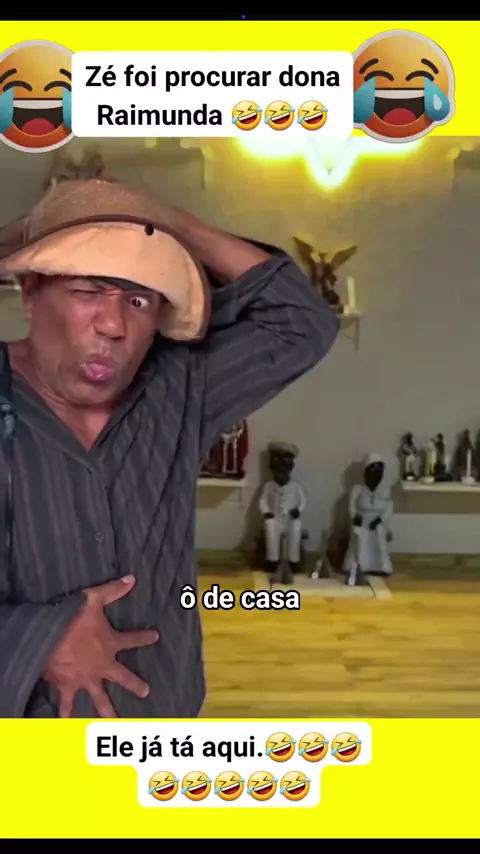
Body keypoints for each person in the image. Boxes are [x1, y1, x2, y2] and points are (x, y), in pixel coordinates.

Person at [0, 177, 339, 718]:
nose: (113, 324)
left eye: (138, 299)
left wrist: (166, 222)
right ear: (30, 293)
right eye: (88, 291)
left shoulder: (176, 387)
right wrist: (40, 638)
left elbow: (301, 322)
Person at [258, 442, 306, 582]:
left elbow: (303, 501)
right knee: (270, 527)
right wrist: (266, 513)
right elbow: (262, 501)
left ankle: (293, 561)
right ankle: (272, 561)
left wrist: (298, 510)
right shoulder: (269, 486)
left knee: (296, 527)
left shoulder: (296, 487)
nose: (281, 474)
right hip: (275, 519)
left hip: (289, 519)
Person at [343, 452, 393, 583]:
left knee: (379, 536)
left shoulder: (385, 491)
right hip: (362, 521)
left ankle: (380, 567)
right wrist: (355, 517)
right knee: (359, 537)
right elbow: (351, 505)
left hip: (377, 522)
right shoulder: (357, 489)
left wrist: (380, 520)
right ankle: (358, 566)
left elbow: (389, 508)